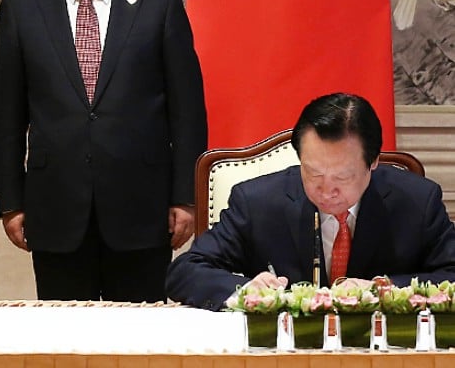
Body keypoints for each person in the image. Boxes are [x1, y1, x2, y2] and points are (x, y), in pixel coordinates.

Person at [0, 0, 208, 301]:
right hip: (55, 209)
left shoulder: (158, 4)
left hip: (142, 210)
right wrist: (11, 202)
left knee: (140, 345)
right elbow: (8, 118)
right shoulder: (23, 6)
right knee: (64, 343)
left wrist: (186, 197)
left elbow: (187, 113)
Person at [166, 92, 455, 310]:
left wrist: (387, 289)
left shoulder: (417, 201)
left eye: (342, 177)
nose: (326, 189)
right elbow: (186, 271)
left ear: (374, 162)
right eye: (314, 172)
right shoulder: (257, 202)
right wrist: (246, 289)